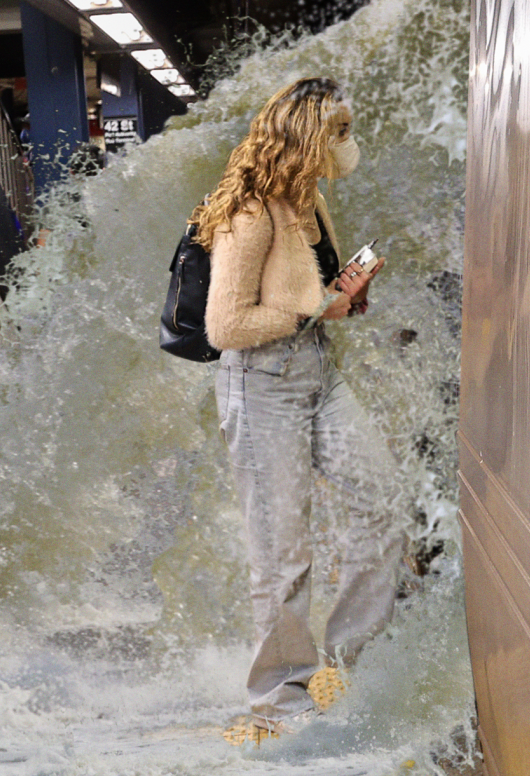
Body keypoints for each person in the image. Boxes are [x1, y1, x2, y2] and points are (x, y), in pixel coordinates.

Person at [192, 77, 405, 739]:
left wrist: (345, 293)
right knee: (283, 558)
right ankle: (279, 701)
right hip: (261, 388)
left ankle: (344, 663)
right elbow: (224, 327)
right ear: (306, 139)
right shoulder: (251, 213)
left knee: (385, 497)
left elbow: (310, 292)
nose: (347, 143)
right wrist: (316, 307)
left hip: (317, 374)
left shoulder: (309, 202)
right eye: (337, 131)